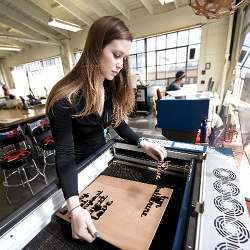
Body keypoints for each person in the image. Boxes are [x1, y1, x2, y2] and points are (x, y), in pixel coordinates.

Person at [46, 16, 167, 243]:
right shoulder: (64, 98)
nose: (121, 64)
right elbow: (65, 154)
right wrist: (75, 208)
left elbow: (117, 122)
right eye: (116, 54)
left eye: (124, 57)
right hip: (77, 174)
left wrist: (142, 142)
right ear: (95, 48)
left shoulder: (108, 86)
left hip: (102, 162)